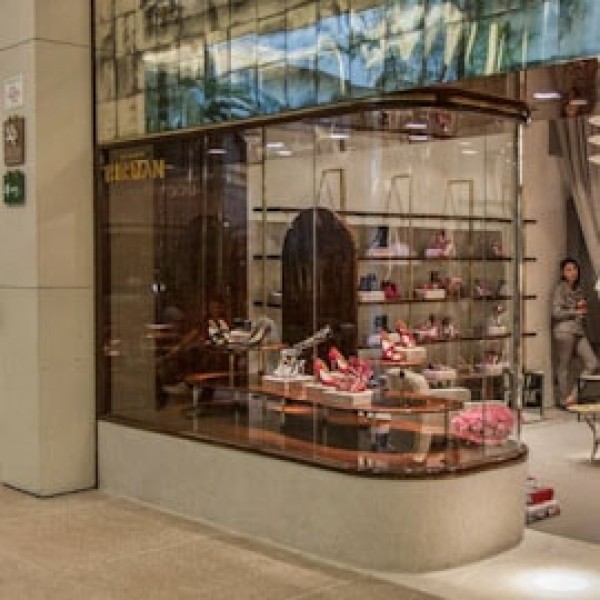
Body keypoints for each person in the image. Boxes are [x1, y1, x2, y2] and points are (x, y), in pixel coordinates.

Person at [552, 257, 599, 407]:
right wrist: (575, 311)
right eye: (568, 270)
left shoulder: (578, 289)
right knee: (564, 365)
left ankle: (573, 395)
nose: (572, 272)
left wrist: (582, 309)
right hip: (564, 330)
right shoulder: (560, 288)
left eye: (575, 269)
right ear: (563, 272)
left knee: (592, 363)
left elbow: (581, 311)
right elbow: (556, 313)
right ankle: (563, 400)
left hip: (578, 330)